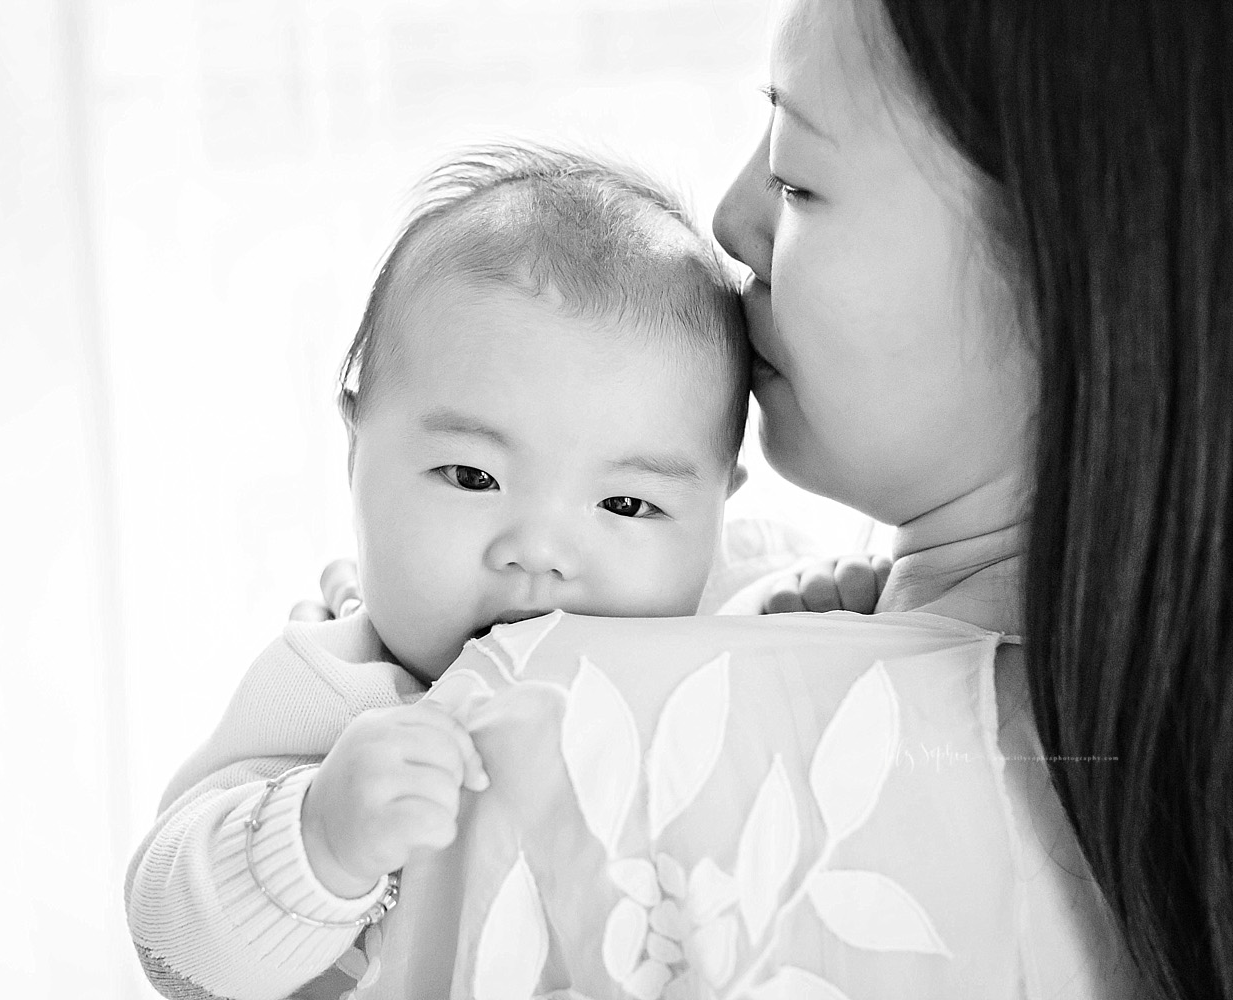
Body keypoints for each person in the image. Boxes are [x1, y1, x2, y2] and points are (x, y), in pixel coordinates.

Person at [271, 0, 1232, 995]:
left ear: (1064, 267)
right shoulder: (1147, 788)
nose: (732, 219)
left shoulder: (551, 718)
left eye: (798, 179)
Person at [124, 145, 890, 1000]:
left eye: (627, 507)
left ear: (718, 510)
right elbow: (172, 949)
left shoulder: (735, 601)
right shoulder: (337, 696)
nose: (541, 552)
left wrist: (823, 637)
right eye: (472, 478)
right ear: (355, 451)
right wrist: (318, 840)